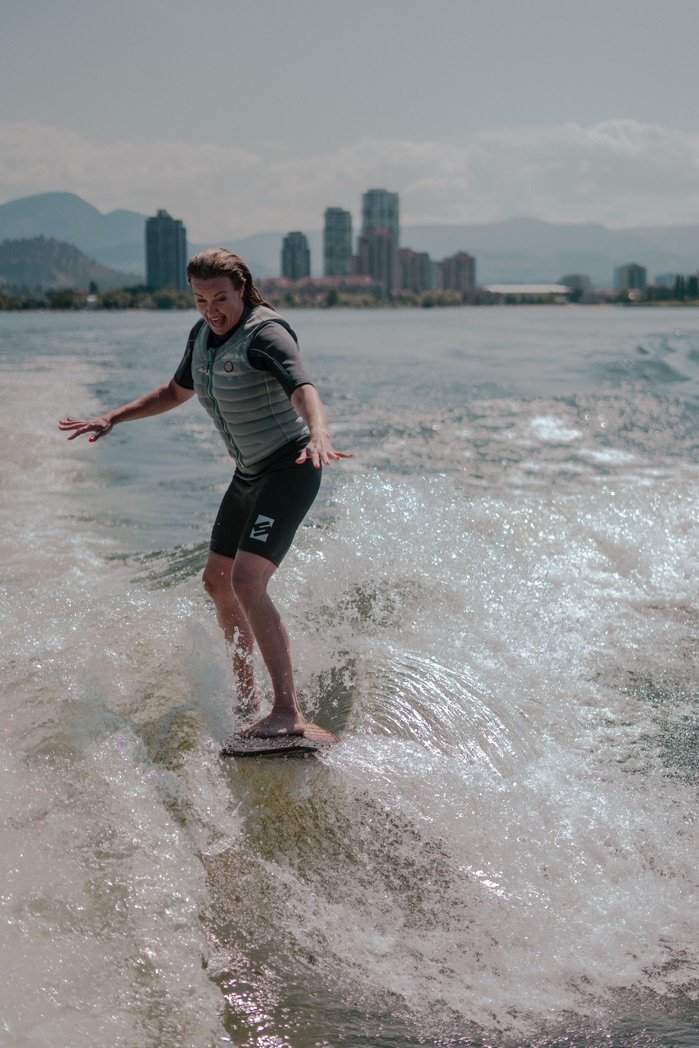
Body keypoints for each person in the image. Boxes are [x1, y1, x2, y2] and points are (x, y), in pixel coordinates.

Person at [59, 248, 350, 739]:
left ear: (242, 290)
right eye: (200, 300)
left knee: (247, 580)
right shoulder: (202, 337)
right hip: (249, 474)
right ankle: (246, 701)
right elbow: (174, 392)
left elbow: (303, 388)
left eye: (219, 298)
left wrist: (319, 433)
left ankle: (288, 712)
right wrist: (113, 417)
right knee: (217, 582)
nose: (211, 310)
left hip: (290, 468)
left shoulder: (266, 334)